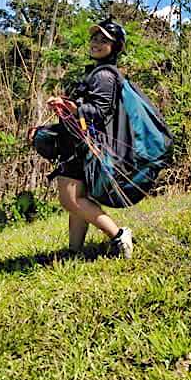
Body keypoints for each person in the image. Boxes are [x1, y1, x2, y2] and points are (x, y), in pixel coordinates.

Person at [45, 19, 134, 259]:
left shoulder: (104, 75)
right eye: (95, 38)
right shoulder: (98, 72)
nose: (96, 43)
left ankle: (118, 235)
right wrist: (67, 106)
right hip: (79, 142)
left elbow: (100, 111)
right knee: (79, 200)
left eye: (104, 40)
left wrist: (74, 108)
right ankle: (74, 251)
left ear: (115, 47)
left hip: (83, 145)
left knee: (70, 199)